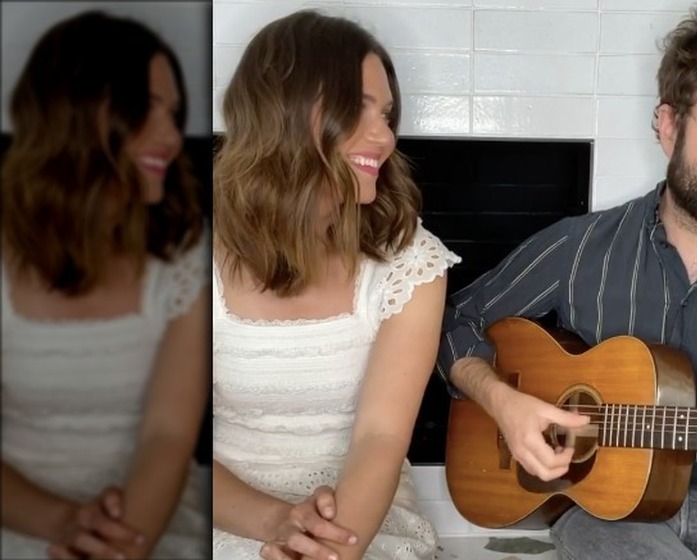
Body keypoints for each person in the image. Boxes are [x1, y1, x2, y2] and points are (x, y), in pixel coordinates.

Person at [437, 1, 697, 558]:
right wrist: (503, 402)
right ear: (669, 127)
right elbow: (456, 319)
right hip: (598, 506)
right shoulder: (580, 246)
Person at [211, 11, 459, 560]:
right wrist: (275, 522)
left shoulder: (410, 261)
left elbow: (381, 439)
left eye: (387, 114)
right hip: (223, 513)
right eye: (357, 110)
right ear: (282, 113)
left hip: (362, 520)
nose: (384, 136)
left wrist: (324, 551)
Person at [0, 9, 210, 560]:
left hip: (150, 518)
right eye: (146, 109)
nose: (170, 136)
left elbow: (168, 437)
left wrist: (115, 547)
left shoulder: (185, 251)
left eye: (174, 113)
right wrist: (65, 523)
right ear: (70, 113)